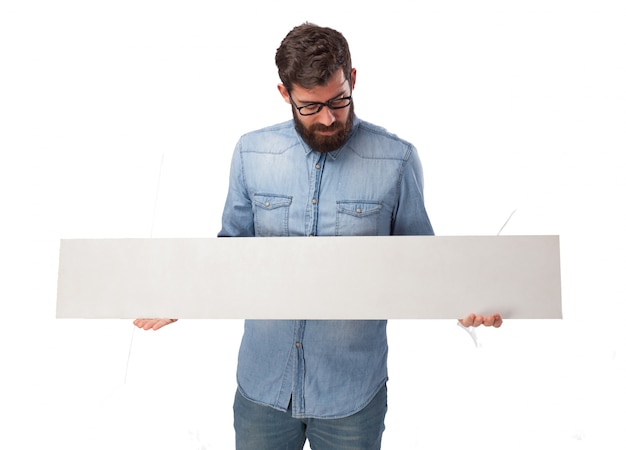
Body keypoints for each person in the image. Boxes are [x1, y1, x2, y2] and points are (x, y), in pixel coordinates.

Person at [134, 23, 502, 450]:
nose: (329, 117)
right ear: (284, 94)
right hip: (263, 388)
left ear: (353, 79)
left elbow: (423, 268)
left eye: (339, 100)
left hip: (351, 395)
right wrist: (182, 296)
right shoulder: (251, 154)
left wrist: (466, 304)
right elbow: (231, 253)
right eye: (311, 106)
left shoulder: (396, 160)